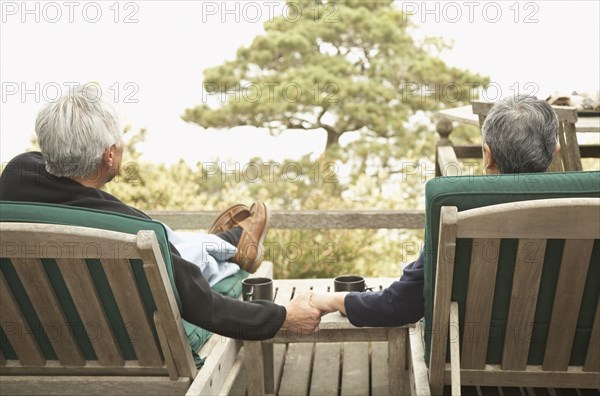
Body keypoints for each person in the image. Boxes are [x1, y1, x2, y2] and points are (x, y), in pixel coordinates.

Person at [0, 85, 321, 340]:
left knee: (175, 240)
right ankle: (229, 244)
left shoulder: (15, 177)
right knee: (181, 249)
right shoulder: (130, 229)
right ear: (109, 156)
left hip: (31, 342)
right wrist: (282, 316)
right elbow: (202, 305)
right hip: (126, 347)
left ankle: (223, 242)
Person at [309, 94, 561, 326]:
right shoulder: (589, 199)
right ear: (555, 151)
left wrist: (330, 300)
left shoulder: (458, 203)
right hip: (570, 359)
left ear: (487, 154)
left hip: (465, 361)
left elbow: (399, 306)